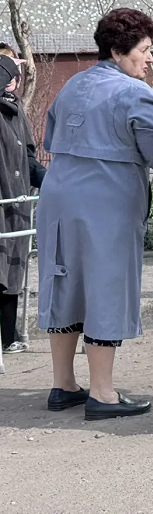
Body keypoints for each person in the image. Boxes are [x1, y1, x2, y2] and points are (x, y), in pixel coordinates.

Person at [36, 9, 153, 419]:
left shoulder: (73, 84)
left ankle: (63, 384)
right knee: (106, 286)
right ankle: (102, 393)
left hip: (58, 194)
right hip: (106, 201)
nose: (150, 58)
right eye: (145, 49)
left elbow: (50, 137)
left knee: (63, 282)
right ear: (119, 51)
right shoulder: (135, 93)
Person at [0, 56, 46, 355]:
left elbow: (28, 160)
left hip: (15, 205)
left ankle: (9, 335)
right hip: (2, 200)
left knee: (12, 268)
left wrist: (53, 181)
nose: (14, 81)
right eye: (9, 75)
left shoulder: (16, 111)